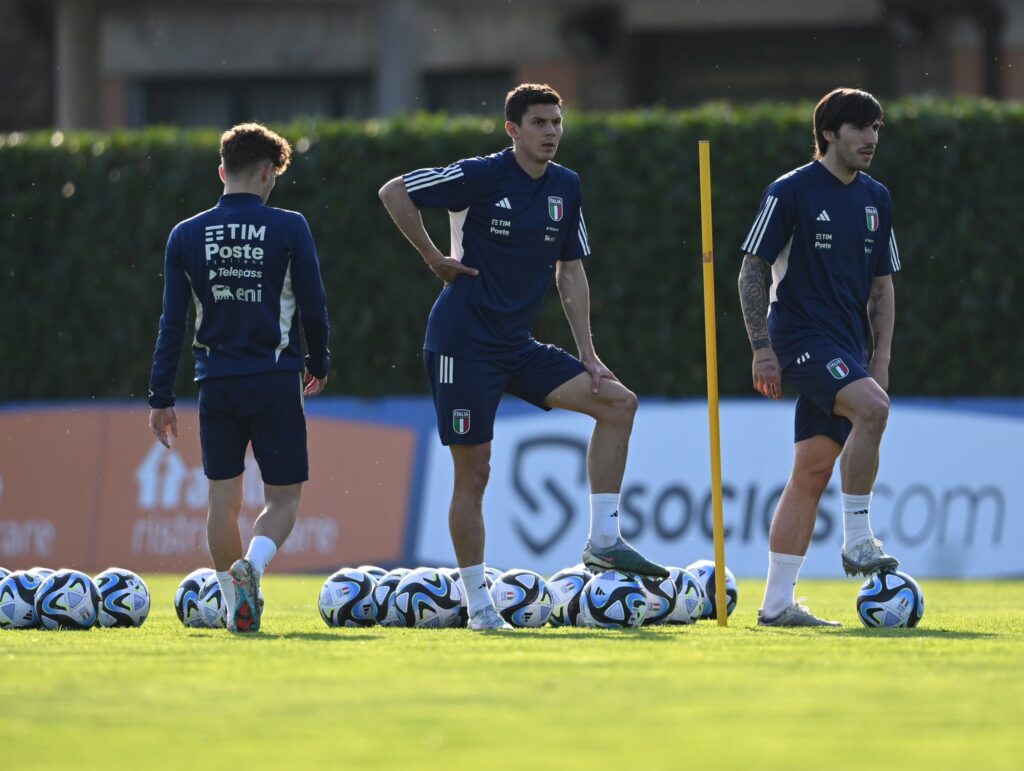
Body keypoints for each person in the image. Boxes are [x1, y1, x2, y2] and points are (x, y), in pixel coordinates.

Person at [379, 83, 667, 631]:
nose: (551, 132)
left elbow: (572, 270)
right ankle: (480, 607)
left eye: (557, 122)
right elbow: (394, 191)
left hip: (516, 345)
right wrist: (434, 257)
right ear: (513, 130)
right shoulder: (481, 174)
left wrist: (589, 354)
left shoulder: (566, 187)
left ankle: (604, 540)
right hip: (461, 342)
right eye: (539, 123)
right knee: (475, 472)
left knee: (618, 404)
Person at [147, 123, 330, 633]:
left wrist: (160, 396)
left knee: (221, 504)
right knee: (283, 500)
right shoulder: (290, 227)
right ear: (269, 172)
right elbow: (313, 307)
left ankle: (234, 605)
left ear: (222, 170)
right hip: (275, 379)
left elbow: (172, 323)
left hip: (216, 385)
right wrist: (320, 361)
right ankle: (255, 565)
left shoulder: (184, 234)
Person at [738, 87, 901, 627]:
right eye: (859, 128)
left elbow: (883, 287)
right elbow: (751, 271)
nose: (870, 138)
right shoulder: (791, 191)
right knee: (873, 411)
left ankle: (777, 605)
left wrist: (878, 362)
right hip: (799, 337)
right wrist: (762, 348)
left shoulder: (877, 197)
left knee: (810, 471)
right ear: (830, 134)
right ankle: (857, 538)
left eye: (875, 127)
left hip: (848, 345)